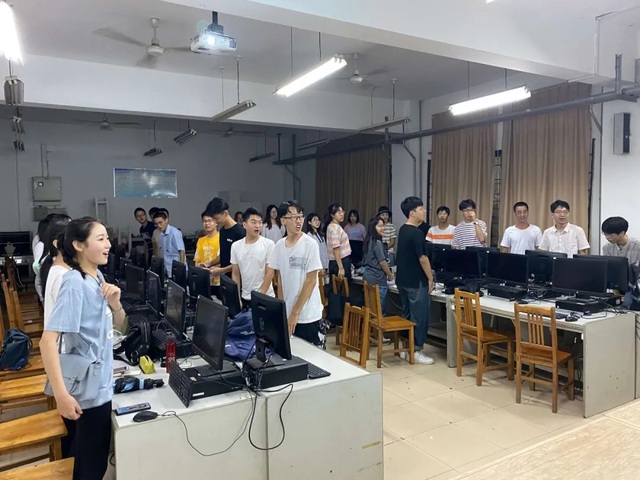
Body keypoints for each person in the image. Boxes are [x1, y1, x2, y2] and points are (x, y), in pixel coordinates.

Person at [41, 217, 126, 480]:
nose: (108, 244)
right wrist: (61, 396)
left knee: (94, 463)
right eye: (101, 239)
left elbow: (119, 326)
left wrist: (115, 304)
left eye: (107, 238)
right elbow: (47, 341)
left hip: (101, 384)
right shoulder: (74, 283)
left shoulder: (97, 276)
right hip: (88, 392)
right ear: (79, 245)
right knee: (91, 468)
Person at [262, 200, 325, 348]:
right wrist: (283, 310)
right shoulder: (279, 246)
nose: (298, 221)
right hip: (289, 313)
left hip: (308, 315)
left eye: (300, 216)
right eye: (293, 217)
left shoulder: (310, 244)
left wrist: (295, 313)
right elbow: (280, 279)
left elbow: (311, 281)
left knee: (312, 357)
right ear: (283, 220)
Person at [396, 196, 435, 365]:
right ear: (412, 213)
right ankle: (417, 350)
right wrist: (430, 278)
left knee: (407, 315)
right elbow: (423, 259)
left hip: (402, 280)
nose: (424, 211)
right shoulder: (417, 233)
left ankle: (405, 349)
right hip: (416, 282)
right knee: (420, 317)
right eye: (421, 209)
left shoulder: (403, 229)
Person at [231, 208, 276, 309]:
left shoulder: (269, 244)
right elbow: (235, 273)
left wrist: (260, 298)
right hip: (245, 297)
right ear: (244, 225)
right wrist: (237, 297)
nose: (257, 226)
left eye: (260, 222)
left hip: (265, 297)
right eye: (253, 222)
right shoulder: (236, 246)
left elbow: (269, 273)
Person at [204, 197, 245, 279]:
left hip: (238, 278)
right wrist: (209, 263)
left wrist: (221, 270)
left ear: (225, 213)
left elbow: (241, 262)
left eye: (217, 218)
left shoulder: (240, 232)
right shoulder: (222, 231)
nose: (215, 222)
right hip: (225, 278)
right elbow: (224, 254)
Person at [363, 217, 394, 315]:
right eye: (380, 226)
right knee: (380, 311)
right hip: (378, 278)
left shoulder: (368, 240)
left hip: (367, 276)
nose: (383, 228)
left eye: (383, 226)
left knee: (371, 309)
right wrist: (390, 276)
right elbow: (382, 262)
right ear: (373, 227)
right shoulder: (377, 242)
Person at [194, 212, 221, 299]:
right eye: (204, 221)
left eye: (210, 221)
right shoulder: (201, 240)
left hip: (218, 281)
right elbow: (197, 261)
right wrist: (199, 266)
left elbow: (224, 260)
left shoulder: (221, 238)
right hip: (204, 280)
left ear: (216, 222)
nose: (207, 224)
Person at [152, 211, 185, 277]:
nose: (159, 225)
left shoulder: (174, 233)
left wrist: (181, 269)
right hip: (168, 269)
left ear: (166, 220)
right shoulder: (162, 234)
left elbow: (182, 251)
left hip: (177, 270)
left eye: (160, 222)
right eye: (156, 224)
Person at [325, 203, 352, 281]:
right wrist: (341, 268)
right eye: (339, 212)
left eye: (342, 212)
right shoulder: (334, 228)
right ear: (332, 215)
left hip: (340, 261)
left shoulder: (336, 226)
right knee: (342, 286)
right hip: (340, 262)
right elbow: (336, 249)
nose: (342, 214)